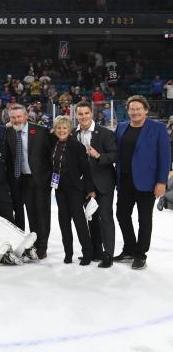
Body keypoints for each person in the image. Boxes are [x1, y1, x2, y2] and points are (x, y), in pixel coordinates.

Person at [114, 95, 171, 270]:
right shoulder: (122, 127)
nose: (135, 112)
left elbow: (165, 157)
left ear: (146, 110)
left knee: (144, 219)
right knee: (122, 215)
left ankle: (140, 254)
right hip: (124, 180)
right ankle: (130, 249)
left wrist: (161, 181)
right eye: (132, 109)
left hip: (148, 182)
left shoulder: (158, 128)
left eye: (139, 109)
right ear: (128, 111)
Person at [5, 104, 52, 259]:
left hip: (40, 179)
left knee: (42, 213)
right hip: (22, 180)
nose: (16, 120)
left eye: (19, 116)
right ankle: (34, 243)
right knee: (31, 213)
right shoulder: (9, 132)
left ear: (26, 116)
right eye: (13, 117)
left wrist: (49, 177)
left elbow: (50, 154)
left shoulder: (40, 131)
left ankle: (42, 247)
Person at [74, 101, 117, 268]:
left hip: (103, 183)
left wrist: (99, 156)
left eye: (86, 113)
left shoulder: (105, 133)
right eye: (80, 114)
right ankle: (96, 251)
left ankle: (108, 254)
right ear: (76, 115)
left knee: (105, 218)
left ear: (91, 114)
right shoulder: (73, 133)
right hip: (84, 184)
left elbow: (114, 156)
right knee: (91, 218)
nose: (83, 116)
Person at [51, 116, 96, 266]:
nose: (61, 130)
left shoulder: (76, 145)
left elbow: (86, 169)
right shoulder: (54, 143)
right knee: (63, 222)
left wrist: (90, 189)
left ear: (69, 129)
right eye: (59, 128)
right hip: (60, 190)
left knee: (79, 222)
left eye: (64, 128)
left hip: (75, 189)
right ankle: (68, 253)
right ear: (55, 129)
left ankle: (87, 253)